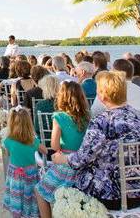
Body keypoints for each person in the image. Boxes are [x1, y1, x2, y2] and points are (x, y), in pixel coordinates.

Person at [52, 71, 140, 210]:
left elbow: (80, 160)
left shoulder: (101, 121)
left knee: (66, 184)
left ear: (102, 95)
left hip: (113, 194)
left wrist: (61, 159)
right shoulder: (139, 116)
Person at [36, 81, 90, 218]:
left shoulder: (59, 117)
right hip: (84, 164)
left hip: (65, 164)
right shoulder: (88, 117)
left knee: (40, 191)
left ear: (62, 98)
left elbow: (54, 146)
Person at [2, 108, 47, 218]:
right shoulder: (33, 141)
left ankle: (17, 213)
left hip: (15, 175)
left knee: (17, 197)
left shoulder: (8, 141)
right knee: (30, 198)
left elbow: (8, 154)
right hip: (30, 175)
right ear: (29, 124)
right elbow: (45, 151)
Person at [91, 59, 140, 128]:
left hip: (117, 136)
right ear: (131, 73)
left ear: (114, 73)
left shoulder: (107, 92)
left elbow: (94, 113)